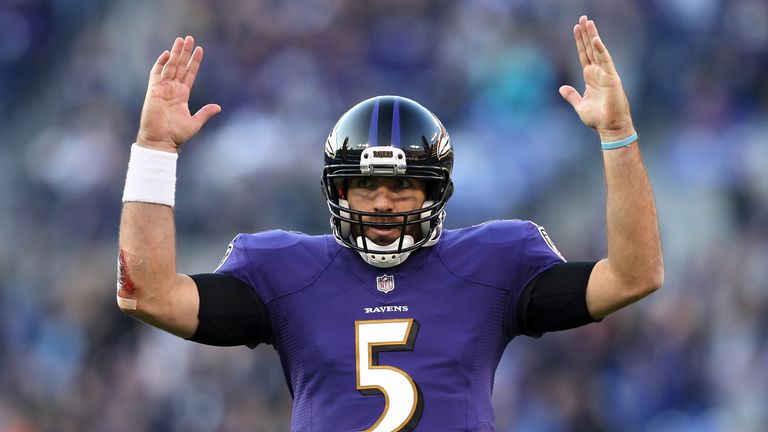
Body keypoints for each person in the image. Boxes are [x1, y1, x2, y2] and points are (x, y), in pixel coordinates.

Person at [117, 15, 663, 431]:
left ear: (435, 190)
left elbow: (634, 276)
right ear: (337, 190)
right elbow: (149, 296)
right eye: (366, 185)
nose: (382, 201)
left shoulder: (496, 262)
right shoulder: (285, 270)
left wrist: (617, 134)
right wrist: (155, 150)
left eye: (403, 185)